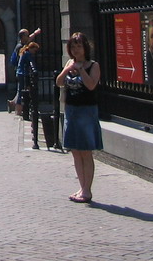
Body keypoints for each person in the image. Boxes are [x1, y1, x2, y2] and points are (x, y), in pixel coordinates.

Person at [56, 32, 102, 203]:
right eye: (73, 47)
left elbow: (91, 85)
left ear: (85, 48)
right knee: (75, 151)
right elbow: (59, 82)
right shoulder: (69, 63)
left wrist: (81, 69)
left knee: (85, 151)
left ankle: (87, 190)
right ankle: (82, 187)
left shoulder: (93, 65)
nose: (76, 50)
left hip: (86, 111)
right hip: (71, 110)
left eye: (79, 46)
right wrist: (68, 69)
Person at [8, 26, 41, 111]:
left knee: (20, 90)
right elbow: (20, 60)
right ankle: (18, 110)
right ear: (23, 37)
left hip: (21, 72)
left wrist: (36, 33)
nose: (29, 36)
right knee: (22, 91)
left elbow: (30, 38)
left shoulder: (23, 44)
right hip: (21, 72)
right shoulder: (20, 47)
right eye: (27, 35)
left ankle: (12, 104)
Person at [14, 41, 39, 117]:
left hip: (19, 73)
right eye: (34, 50)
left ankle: (18, 109)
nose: (35, 53)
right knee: (22, 91)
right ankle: (20, 110)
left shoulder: (24, 52)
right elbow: (32, 62)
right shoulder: (27, 54)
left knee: (20, 90)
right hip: (23, 74)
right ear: (31, 48)